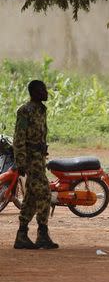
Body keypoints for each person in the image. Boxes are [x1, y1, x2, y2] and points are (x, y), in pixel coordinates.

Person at [13, 80, 58, 250]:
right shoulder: (25, 111)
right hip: (30, 159)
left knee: (31, 197)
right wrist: (21, 161)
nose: (46, 92)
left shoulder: (41, 110)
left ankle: (22, 235)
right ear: (35, 92)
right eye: (43, 90)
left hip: (39, 158)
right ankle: (42, 233)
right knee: (45, 193)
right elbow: (19, 137)